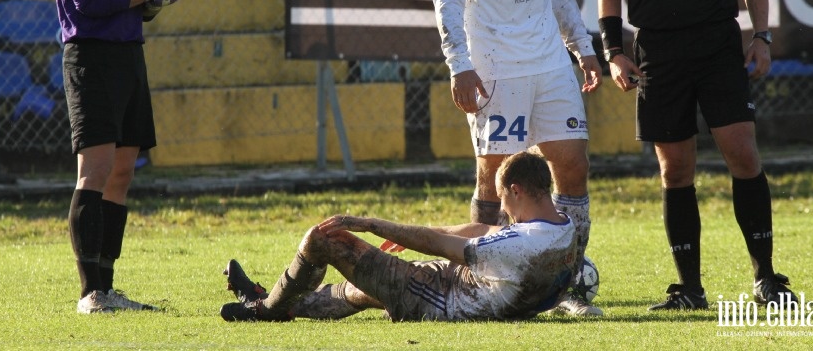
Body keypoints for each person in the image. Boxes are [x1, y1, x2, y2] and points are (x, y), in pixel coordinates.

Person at [592, 0, 798, 311]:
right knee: (675, 170)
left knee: (744, 156)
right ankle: (690, 290)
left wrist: (762, 37)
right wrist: (613, 52)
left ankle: (767, 279)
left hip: (717, 46)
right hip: (657, 51)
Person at [431, 0, 602, 317]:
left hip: (550, 61)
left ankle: (565, 283)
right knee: (495, 179)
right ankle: (482, 278)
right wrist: (459, 64)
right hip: (495, 68)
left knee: (572, 166)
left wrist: (582, 46)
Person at [52, 0, 192, 314]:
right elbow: (89, 1)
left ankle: (108, 288)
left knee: (124, 171)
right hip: (91, 58)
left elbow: (135, 2)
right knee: (95, 170)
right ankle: (90, 293)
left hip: (130, 55)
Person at [219, 151, 580, 322]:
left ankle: (263, 310)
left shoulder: (520, 245)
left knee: (324, 239)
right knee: (362, 290)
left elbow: (443, 246)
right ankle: (273, 301)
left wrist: (372, 224)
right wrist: (419, 233)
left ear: (516, 190)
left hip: (436, 300)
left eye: (503, 199)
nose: (504, 210)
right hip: (458, 285)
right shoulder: (563, 226)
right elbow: (484, 230)